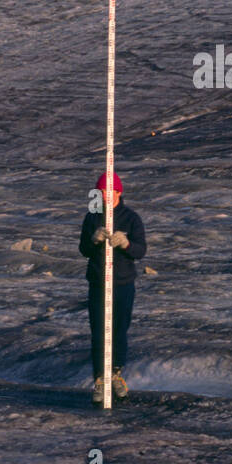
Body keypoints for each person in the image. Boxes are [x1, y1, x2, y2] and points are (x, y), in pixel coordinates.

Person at [79, 172, 146, 405]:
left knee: (119, 329)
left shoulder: (131, 219)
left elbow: (141, 251)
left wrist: (126, 244)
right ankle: (99, 379)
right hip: (98, 282)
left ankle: (116, 374)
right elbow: (83, 250)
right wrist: (93, 240)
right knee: (98, 330)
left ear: (119, 192)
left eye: (109, 191)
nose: (105, 196)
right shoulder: (92, 217)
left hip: (123, 283)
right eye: (101, 192)